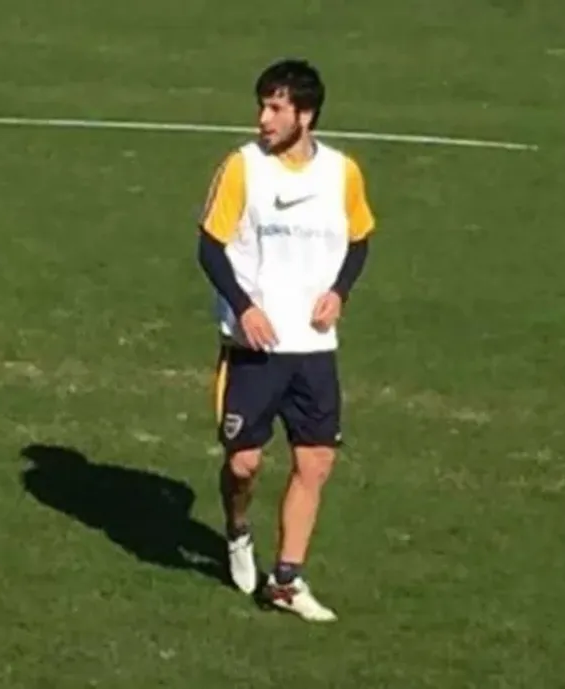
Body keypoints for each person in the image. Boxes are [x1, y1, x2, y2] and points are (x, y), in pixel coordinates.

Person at [195, 58, 375, 622]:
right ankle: (238, 527)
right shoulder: (242, 168)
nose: (262, 118)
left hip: (315, 347)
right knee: (244, 464)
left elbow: (360, 238)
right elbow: (209, 246)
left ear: (306, 114)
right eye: (262, 105)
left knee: (315, 461)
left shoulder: (342, 173)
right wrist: (244, 309)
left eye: (275, 107)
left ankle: (288, 579)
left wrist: (340, 291)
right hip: (255, 346)